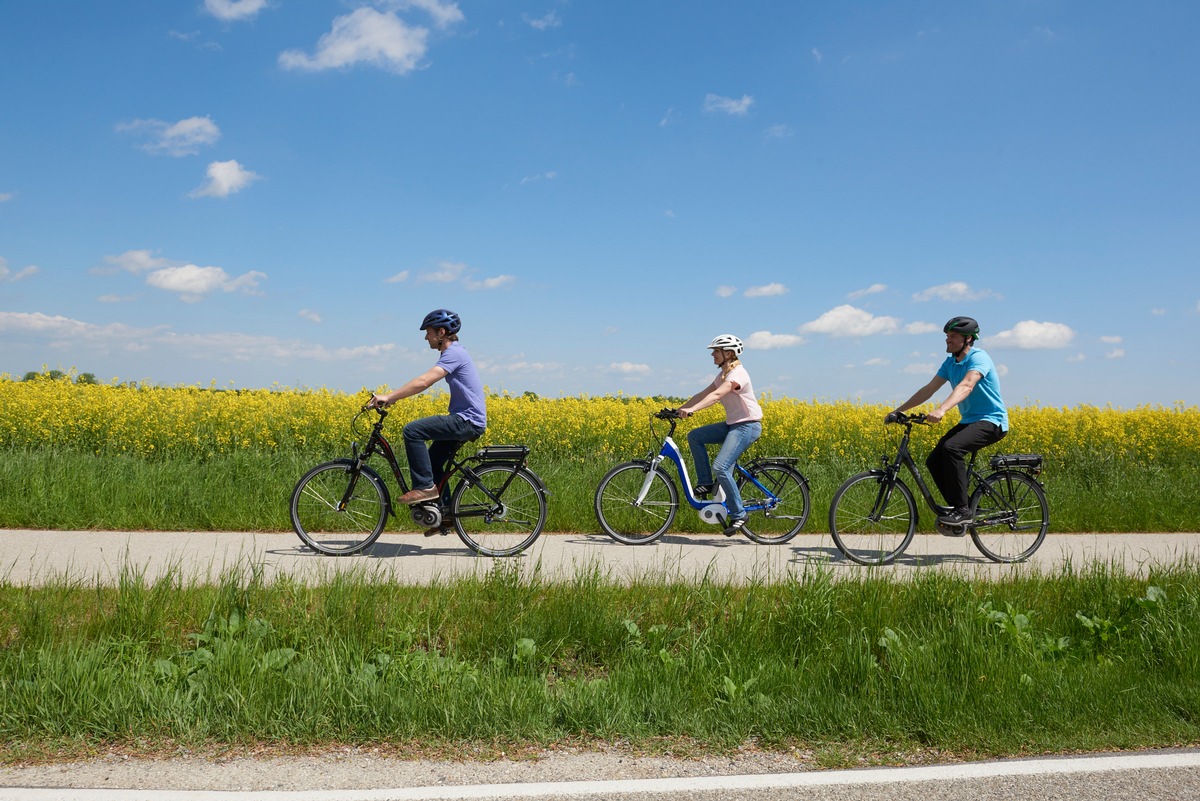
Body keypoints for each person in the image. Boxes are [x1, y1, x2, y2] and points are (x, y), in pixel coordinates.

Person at [368, 309, 487, 532]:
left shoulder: (454, 354)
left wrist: (390, 396)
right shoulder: (455, 353)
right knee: (432, 463)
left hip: (466, 421)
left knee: (412, 431)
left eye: (429, 332)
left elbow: (424, 382)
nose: (426, 337)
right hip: (465, 419)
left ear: (441, 332)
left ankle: (424, 488)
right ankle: (446, 514)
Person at [888, 315, 1008, 527]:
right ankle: (962, 506)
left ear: (968, 339)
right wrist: (898, 411)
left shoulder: (979, 358)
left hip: (992, 421)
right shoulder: (950, 363)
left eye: (952, 336)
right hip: (970, 421)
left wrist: (942, 409)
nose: (948, 340)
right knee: (933, 460)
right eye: (947, 336)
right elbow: (929, 389)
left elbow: (967, 385)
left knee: (952, 449)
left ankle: (963, 510)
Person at [677, 334, 763, 536]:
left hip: (747, 426)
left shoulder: (737, 375)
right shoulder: (722, 375)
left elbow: (716, 396)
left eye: (716, 351)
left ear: (729, 353)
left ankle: (739, 514)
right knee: (695, 436)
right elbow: (702, 394)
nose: (713, 355)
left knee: (721, 467)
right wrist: (678, 409)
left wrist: (693, 410)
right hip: (732, 425)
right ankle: (706, 482)